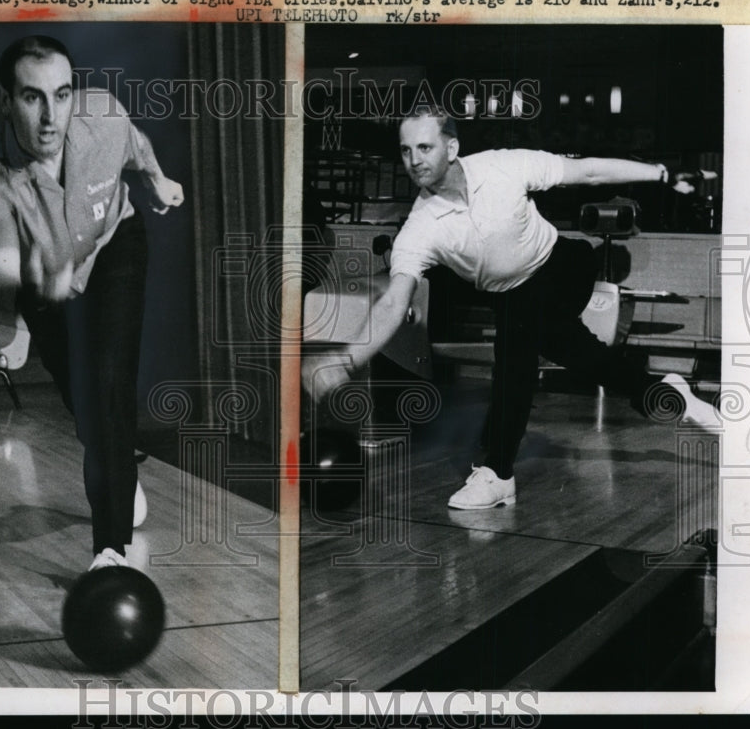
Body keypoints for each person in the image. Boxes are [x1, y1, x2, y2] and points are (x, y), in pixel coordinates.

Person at [302, 105, 718, 511]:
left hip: (563, 266)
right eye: (406, 150)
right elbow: (395, 300)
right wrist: (347, 357)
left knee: (516, 340)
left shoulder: (503, 167)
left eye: (425, 148)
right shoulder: (420, 227)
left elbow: (587, 171)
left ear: (451, 148)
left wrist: (660, 173)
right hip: (517, 297)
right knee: (575, 353)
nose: (414, 160)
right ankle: (664, 394)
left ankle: (498, 472)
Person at [0, 35, 184, 570]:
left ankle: (111, 550)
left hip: (115, 246)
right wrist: (26, 280)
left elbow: (135, 146)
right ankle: (115, 458)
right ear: (6, 100)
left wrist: (156, 179)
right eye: (32, 97)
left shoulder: (103, 115)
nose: (50, 116)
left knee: (109, 384)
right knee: (85, 403)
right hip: (41, 276)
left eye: (61, 95)